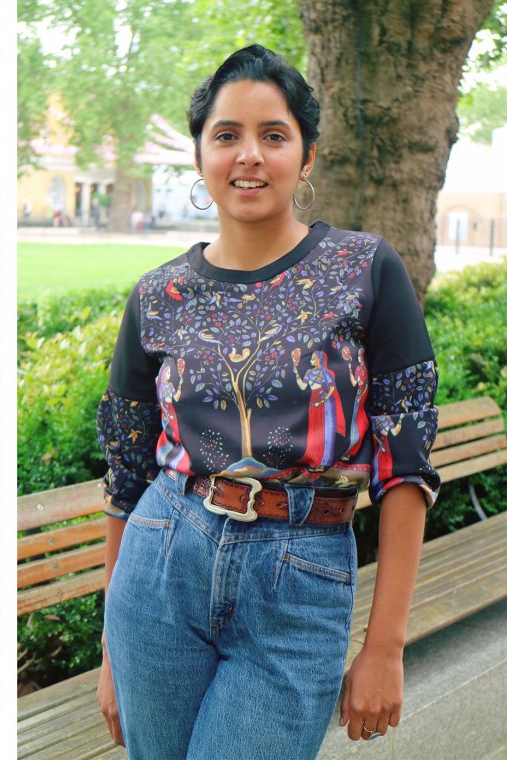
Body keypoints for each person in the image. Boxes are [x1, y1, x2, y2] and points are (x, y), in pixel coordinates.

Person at [96, 44, 439, 759]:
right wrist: (109, 650)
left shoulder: (364, 270)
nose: (248, 155)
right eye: (227, 136)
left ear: (306, 156)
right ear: (199, 156)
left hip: (300, 580)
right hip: (160, 567)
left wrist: (386, 647)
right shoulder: (158, 297)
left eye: (273, 136)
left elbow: (404, 465)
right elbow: (126, 475)